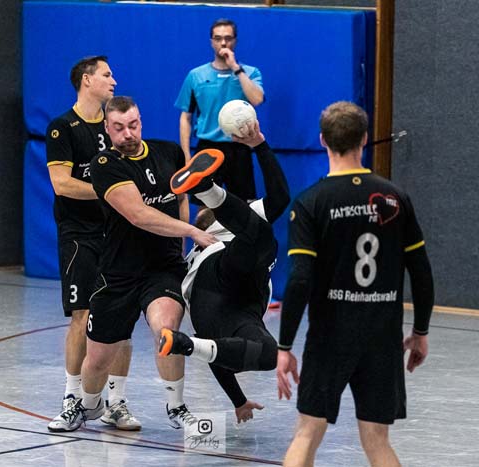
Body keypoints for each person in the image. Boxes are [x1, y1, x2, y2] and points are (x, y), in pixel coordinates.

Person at [276, 101, 434, 467]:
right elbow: (421, 270)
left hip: (330, 336)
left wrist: (284, 346)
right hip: (382, 336)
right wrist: (420, 331)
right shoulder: (395, 198)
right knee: (377, 441)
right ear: (364, 139)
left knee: (307, 432)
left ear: (322, 140)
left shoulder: (311, 202)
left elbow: (300, 279)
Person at [77, 96, 217, 430]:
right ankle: (89, 405)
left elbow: (181, 198)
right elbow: (138, 214)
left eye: (133, 125)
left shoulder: (169, 152)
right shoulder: (103, 164)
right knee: (98, 359)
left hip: (162, 268)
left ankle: (177, 407)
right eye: (119, 128)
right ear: (107, 128)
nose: (128, 134)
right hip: (118, 272)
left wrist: (182, 240)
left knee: (167, 331)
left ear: (141, 121)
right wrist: (191, 232)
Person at [158, 120, 290, 424]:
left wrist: (238, 400)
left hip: (216, 313)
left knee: (269, 354)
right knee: (260, 236)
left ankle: (184, 344)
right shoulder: (220, 229)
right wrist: (260, 146)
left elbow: (216, 351)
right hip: (223, 272)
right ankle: (207, 188)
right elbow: (280, 198)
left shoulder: (224, 231)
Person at [45, 56, 140, 432]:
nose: (113, 80)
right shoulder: (62, 128)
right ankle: (73, 399)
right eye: (106, 74)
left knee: (122, 321)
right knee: (81, 315)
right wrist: (109, 192)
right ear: (87, 80)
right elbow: (61, 184)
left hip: (117, 234)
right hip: (79, 235)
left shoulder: (115, 127)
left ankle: (115, 402)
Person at [175, 18, 264, 203]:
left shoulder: (250, 72)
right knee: (205, 207)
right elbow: (185, 117)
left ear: (235, 41)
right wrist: (186, 155)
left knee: (244, 207)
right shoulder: (196, 76)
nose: (223, 43)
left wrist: (235, 68)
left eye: (228, 38)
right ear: (211, 42)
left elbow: (257, 99)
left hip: (240, 148)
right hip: (207, 149)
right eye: (218, 38)